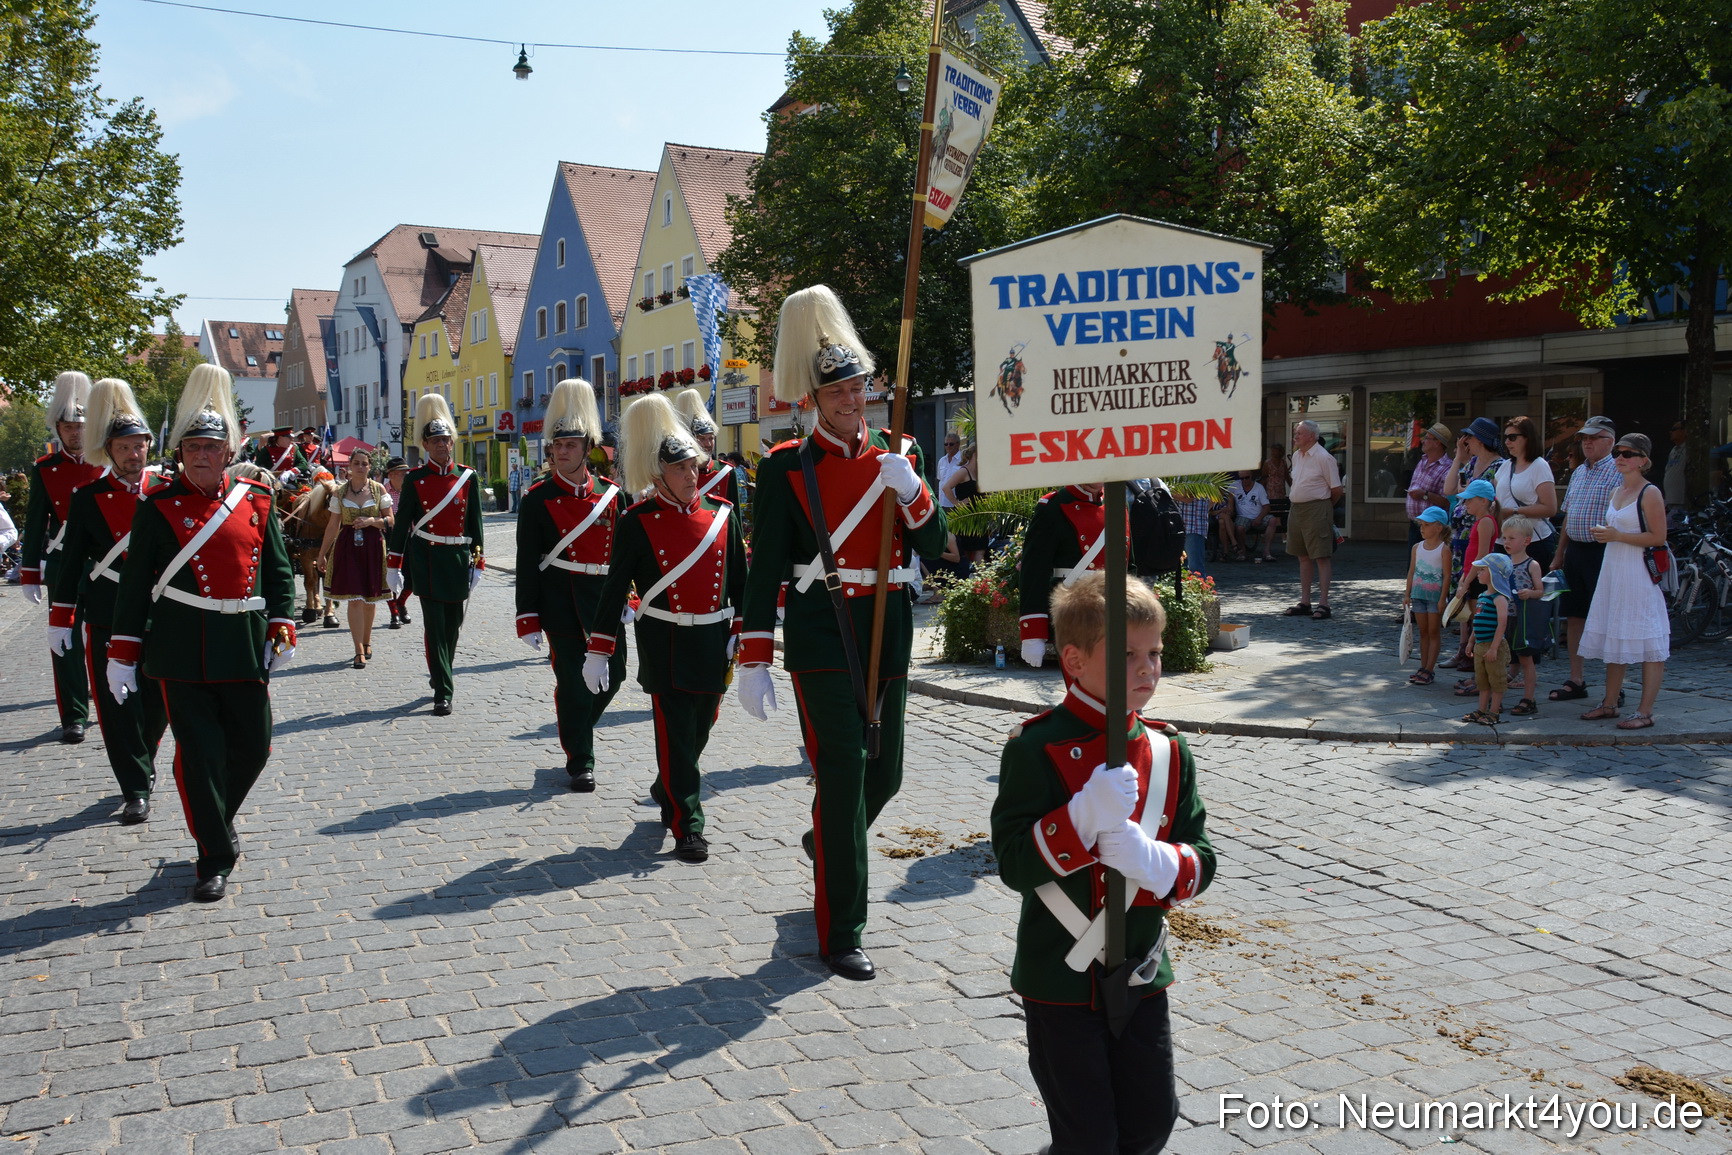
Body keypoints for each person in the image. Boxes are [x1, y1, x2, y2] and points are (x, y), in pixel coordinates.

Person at [737, 284, 947, 981]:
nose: (854, 404)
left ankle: (826, 839)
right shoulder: (785, 466)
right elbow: (763, 564)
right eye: (840, 396)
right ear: (815, 400)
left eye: (860, 391)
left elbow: (938, 540)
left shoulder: (903, 451)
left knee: (883, 772)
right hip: (823, 631)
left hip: (888, 628)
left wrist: (913, 493)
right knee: (844, 768)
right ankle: (842, 930)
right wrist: (755, 654)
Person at [991, 571, 1214, 1155]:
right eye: (1128, 655)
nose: (1148, 669)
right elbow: (1014, 862)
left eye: (1155, 653)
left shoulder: (1167, 748)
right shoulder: (1036, 746)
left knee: (1150, 1122)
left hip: (1141, 969)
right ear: (1074, 659)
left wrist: (1156, 861)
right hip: (1060, 974)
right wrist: (1080, 818)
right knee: (1087, 1135)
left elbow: (1202, 854)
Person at [108, 365, 296, 902]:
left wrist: (282, 625)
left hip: (242, 643)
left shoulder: (256, 498)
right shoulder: (159, 504)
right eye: (192, 446)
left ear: (227, 451)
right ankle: (213, 854)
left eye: (211, 447)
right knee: (199, 755)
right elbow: (135, 583)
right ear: (181, 450)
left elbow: (278, 570)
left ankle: (215, 821)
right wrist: (123, 651)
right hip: (180, 648)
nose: (201, 455)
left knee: (254, 747)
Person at [583, 393, 745, 859]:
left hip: (713, 640)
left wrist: (742, 630)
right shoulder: (637, 521)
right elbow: (614, 589)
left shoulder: (722, 517)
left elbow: (741, 582)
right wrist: (599, 649)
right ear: (659, 475)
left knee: (701, 728)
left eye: (694, 466)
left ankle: (668, 785)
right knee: (676, 734)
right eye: (681, 468)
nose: (692, 475)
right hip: (666, 640)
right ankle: (687, 824)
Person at [47, 378, 168, 822]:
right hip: (106, 612)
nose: (133, 454)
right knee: (116, 705)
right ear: (109, 450)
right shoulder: (88, 498)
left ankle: (145, 755)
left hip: (158, 611)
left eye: (140, 445)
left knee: (157, 700)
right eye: (124, 447)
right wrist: (61, 618)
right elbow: (72, 559)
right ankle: (135, 787)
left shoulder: (166, 491)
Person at [516, 378, 623, 793]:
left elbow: (624, 555)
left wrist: (629, 595)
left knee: (615, 677)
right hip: (559, 602)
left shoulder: (612, 495)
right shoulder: (537, 499)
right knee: (575, 682)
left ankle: (574, 727)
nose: (561, 452)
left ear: (587, 448)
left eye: (570, 445)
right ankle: (581, 759)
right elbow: (527, 560)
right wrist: (527, 615)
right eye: (556, 446)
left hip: (605, 603)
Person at [387, 394, 486, 715]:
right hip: (426, 559)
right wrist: (394, 565)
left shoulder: (468, 477)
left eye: (447, 440)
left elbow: (475, 523)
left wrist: (478, 561)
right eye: (436, 441)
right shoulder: (415, 479)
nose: (443, 446)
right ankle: (444, 688)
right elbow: (402, 525)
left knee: (453, 626)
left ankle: (440, 672)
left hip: (457, 560)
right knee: (434, 626)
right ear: (425, 445)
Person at [20, 371, 102, 743]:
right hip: (61, 565)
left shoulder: (105, 465)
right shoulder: (44, 469)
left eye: (81, 426)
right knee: (65, 640)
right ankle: (73, 714)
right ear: (58, 427)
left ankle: (107, 701)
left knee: (103, 638)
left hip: (103, 566)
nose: (75, 433)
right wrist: (29, 570)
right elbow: (36, 522)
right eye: (68, 426)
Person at [1576, 434, 1669, 729]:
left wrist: (1617, 536)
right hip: (1614, 571)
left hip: (1637, 574)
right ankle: (1609, 703)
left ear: (1642, 460)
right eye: (1617, 452)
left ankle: (1645, 711)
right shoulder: (1617, 490)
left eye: (1627, 453)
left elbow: (1658, 537)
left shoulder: (1650, 492)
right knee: (1615, 635)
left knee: (1647, 638)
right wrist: (1607, 533)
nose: (1620, 457)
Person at [1547, 416, 1620, 703]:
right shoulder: (1578, 472)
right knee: (1574, 616)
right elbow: (1568, 518)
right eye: (1584, 438)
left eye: (1594, 437)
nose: (1587, 442)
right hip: (1575, 551)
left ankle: (1615, 686)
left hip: (1603, 553)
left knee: (1607, 619)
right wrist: (1559, 554)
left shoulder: (1618, 472)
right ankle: (1576, 679)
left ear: (1610, 441)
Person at [1017, 483, 1119, 666]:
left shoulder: (1118, 502)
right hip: (1075, 613)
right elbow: (1035, 571)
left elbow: (1129, 566)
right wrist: (1033, 633)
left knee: (1116, 691)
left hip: (1115, 613)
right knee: (1085, 687)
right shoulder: (1054, 506)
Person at [315, 451, 393, 668]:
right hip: (348, 545)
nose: (360, 467)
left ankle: (367, 641)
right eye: (356, 463)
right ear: (350, 466)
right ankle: (358, 648)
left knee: (370, 598)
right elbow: (332, 526)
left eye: (364, 464)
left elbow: (390, 520)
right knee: (355, 598)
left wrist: (371, 521)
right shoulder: (340, 492)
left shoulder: (379, 490)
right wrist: (322, 553)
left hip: (373, 545)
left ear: (370, 467)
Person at [1283, 419, 1343, 619]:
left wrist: (1324, 509)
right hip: (1297, 509)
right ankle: (1305, 601)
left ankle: (1324, 604)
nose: (1296, 436)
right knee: (1302, 556)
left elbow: (1336, 490)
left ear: (1311, 436)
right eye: (1296, 433)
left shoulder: (1324, 457)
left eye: (1299, 433)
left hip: (1317, 508)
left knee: (1321, 556)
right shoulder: (1298, 456)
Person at [1448, 478, 1499, 688]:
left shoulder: (1486, 522)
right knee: (1473, 626)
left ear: (1484, 501)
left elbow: (1482, 556)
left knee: (1480, 629)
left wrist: (1466, 581)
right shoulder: (1480, 521)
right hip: (1473, 577)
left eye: (1470, 500)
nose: (1466, 504)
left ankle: (1481, 680)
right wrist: (1463, 576)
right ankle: (1478, 676)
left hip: (1480, 580)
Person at [1494, 415, 1559, 569]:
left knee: (1528, 592)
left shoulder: (1539, 466)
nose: (1507, 442)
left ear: (1527, 438)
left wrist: (1513, 511)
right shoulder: (1506, 466)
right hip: (1503, 541)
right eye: (1505, 437)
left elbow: (1550, 508)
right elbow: (1496, 497)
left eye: (1512, 437)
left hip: (1532, 542)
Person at [1500, 515, 1547, 717]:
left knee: (1526, 659)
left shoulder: (1531, 565)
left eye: (1512, 538)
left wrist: (1530, 594)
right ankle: (1497, 697)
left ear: (1526, 540)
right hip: (1505, 618)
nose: (1506, 542)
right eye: (1504, 537)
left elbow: (1541, 591)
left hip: (1523, 619)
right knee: (1501, 657)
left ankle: (1529, 698)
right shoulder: (1503, 563)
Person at [1402, 505, 1453, 687]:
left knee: (1433, 632)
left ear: (1439, 527)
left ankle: (1429, 669)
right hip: (1418, 595)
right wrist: (1407, 594)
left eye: (1426, 525)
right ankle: (1423, 667)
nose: (1422, 528)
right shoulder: (1417, 547)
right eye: (1421, 525)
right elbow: (1412, 571)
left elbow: (1447, 575)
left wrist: (1442, 598)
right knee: (1423, 632)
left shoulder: (1444, 549)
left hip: (1434, 597)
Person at [1462, 553, 1514, 726]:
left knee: (1496, 679)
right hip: (1480, 646)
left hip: (1494, 647)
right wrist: (1471, 641)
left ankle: (1494, 711)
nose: (1478, 572)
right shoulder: (1483, 596)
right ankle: (1481, 709)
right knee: (1482, 680)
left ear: (1494, 574)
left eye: (1482, 569)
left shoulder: (1499, 598)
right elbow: (1477, 622)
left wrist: (1494, 647)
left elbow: (1502, 624)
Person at [672, 388, 742, 509]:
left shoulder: (725, 471)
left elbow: (734, 514)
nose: (708, 444)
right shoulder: (675, 473)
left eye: (711, 438)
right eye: (702, 439)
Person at [1405, 423, 1454, 545]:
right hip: (1415, 523)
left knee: (1430, 562)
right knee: (1414, 561)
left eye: (1427, 438)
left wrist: (1425, 495)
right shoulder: (1422, 461)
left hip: (1433, 526)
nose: (1423, 441)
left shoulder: (1448, 468)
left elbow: (1447, 501)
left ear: (1437, 443)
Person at [381, 456, 413, 630]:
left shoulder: (411, 490)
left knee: (413, 578)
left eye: (405, 472)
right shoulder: (382, 492)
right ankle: (394, 614)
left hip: (410, 536)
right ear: (391, 474)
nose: (404, 476)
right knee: (390, 577)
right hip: (389, 537)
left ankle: (401, 603)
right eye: (401, 473)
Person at [940, 443, 985, 562]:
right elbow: (946, 487)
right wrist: (956, 503)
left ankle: (979, 577)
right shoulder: (964, 471)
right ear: (974, 454)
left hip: (980, 516)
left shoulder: (982, 473)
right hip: (966, 516)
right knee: (967, 549)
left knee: (981, 549)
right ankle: (969, 575)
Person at [1219, 469, 1275, 563]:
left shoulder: (1259, 488)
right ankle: (1242, 551)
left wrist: (1259, 518)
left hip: (1258, 515)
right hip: (1243, 516)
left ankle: (1267, 551)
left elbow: (1266, 507)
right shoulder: (1234, 485)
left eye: (1246, 477)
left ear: (1251, 476)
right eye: (1242, 478)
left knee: (1273, 520)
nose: (1244, 480)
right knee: (1240, 527)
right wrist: (1230, 507)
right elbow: (1229, 497)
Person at [1261, 442, 1289, 552]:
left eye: (1275, 450)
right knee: (1272, 511)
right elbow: (1263, 477)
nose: (1273, 452)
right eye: (1272, 450)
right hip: (1271, 489)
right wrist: (1261, 491)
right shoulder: (1267, 463)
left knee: (1281, 511)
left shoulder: (1283, 463)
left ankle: (1283, 533)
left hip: (1280, 489)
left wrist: (1294, 486)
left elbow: (1287, 476)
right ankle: (1267, 533)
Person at [1663, 420, 1688, 517]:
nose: (1671, 432)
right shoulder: (1673, 450)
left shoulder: (1690, 449)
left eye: (1674, 429)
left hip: (1681, 500)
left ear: (1685, 431)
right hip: (1670, 499)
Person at [935, 431, 963, 509]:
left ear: (957, 444)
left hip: (956, 503)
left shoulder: (963, 460)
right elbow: (940, 480)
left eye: (951, 444)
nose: (948, 446)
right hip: (942, 503)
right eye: (946, 444)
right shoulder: (942, 461)